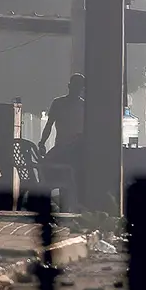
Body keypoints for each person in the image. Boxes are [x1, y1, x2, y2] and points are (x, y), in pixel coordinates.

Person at [38, 73, 85, 211]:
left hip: (75, 150)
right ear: (70, 87)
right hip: (63, 149)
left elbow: (49, 125)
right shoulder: (60, 103)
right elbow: (49, 125)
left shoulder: (82, 106)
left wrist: (42, 142)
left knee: (63, 174)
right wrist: (42, 142)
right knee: (49, 170)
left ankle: (65, 204)